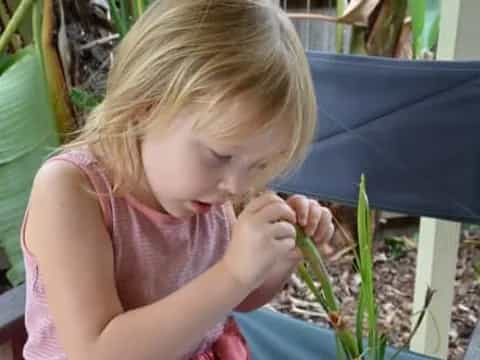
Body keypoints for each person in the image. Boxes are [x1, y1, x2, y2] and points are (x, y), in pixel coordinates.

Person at [21, 1, 335, 359]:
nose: (236, 186)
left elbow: (240, 298)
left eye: (257, 166)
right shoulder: (73, 192)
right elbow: (96, 351)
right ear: (147, 106)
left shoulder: (208, 192)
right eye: (220, 155)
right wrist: (233, 273)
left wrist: (277, 258)